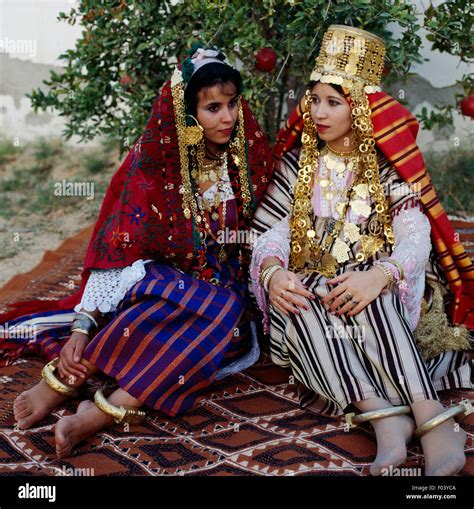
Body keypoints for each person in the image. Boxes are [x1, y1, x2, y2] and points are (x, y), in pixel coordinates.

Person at [0, 46, 273, 458]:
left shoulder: (243, 159)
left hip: (216, 299)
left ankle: (102, 411)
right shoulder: (153, 163)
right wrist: (81, 327)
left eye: (232, 104)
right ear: (187, 113)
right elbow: (116, 251)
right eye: (213, 107)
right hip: (156, 285)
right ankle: (68, 379)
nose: (228, 117)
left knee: (226, 314)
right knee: (176, 303)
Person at [250, 25, 473, 476]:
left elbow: (415, 232)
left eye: (334, 102)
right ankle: (386, 418)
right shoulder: (300, 163)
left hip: (375, 297)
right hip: (312, 296)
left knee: (372, 288)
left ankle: (430, 419)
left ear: (361, 106)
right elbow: (270, 232)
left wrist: (381, 274)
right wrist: (273, 273)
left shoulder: (383, 167)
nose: (318, 111)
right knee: (304, 299)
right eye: (313, 100)